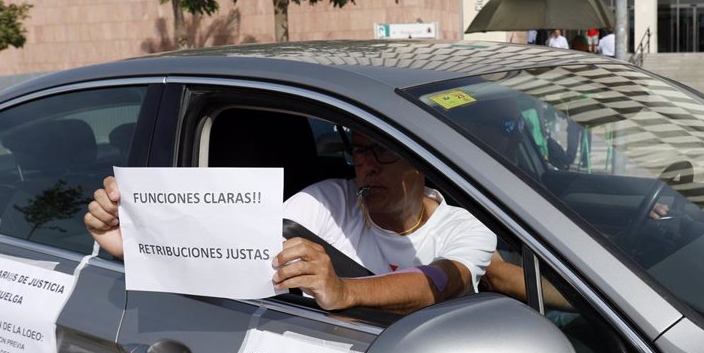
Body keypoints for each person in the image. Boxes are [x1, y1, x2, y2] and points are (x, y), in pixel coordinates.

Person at [84, 131, 497, 314]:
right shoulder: (332, 199)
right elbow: (242, 243)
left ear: (421, 163)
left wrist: (343, 291)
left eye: (383, 153)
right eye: (360, 153)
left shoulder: (464, 229)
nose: (367, 167)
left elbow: (442, 284)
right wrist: (133, 243)